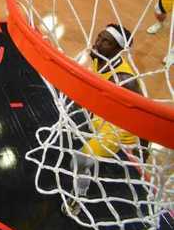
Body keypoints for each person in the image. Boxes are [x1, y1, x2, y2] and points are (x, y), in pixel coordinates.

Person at [61, 24, 142, 216]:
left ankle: (78, 198)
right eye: (99, 37)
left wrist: (143, 150)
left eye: (106, 42)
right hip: (104, 117)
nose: (98, 43)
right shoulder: (100, 58)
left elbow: (141, 114)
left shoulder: (125, 78)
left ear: (119, 49)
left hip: (117, 130)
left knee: (77, 162)